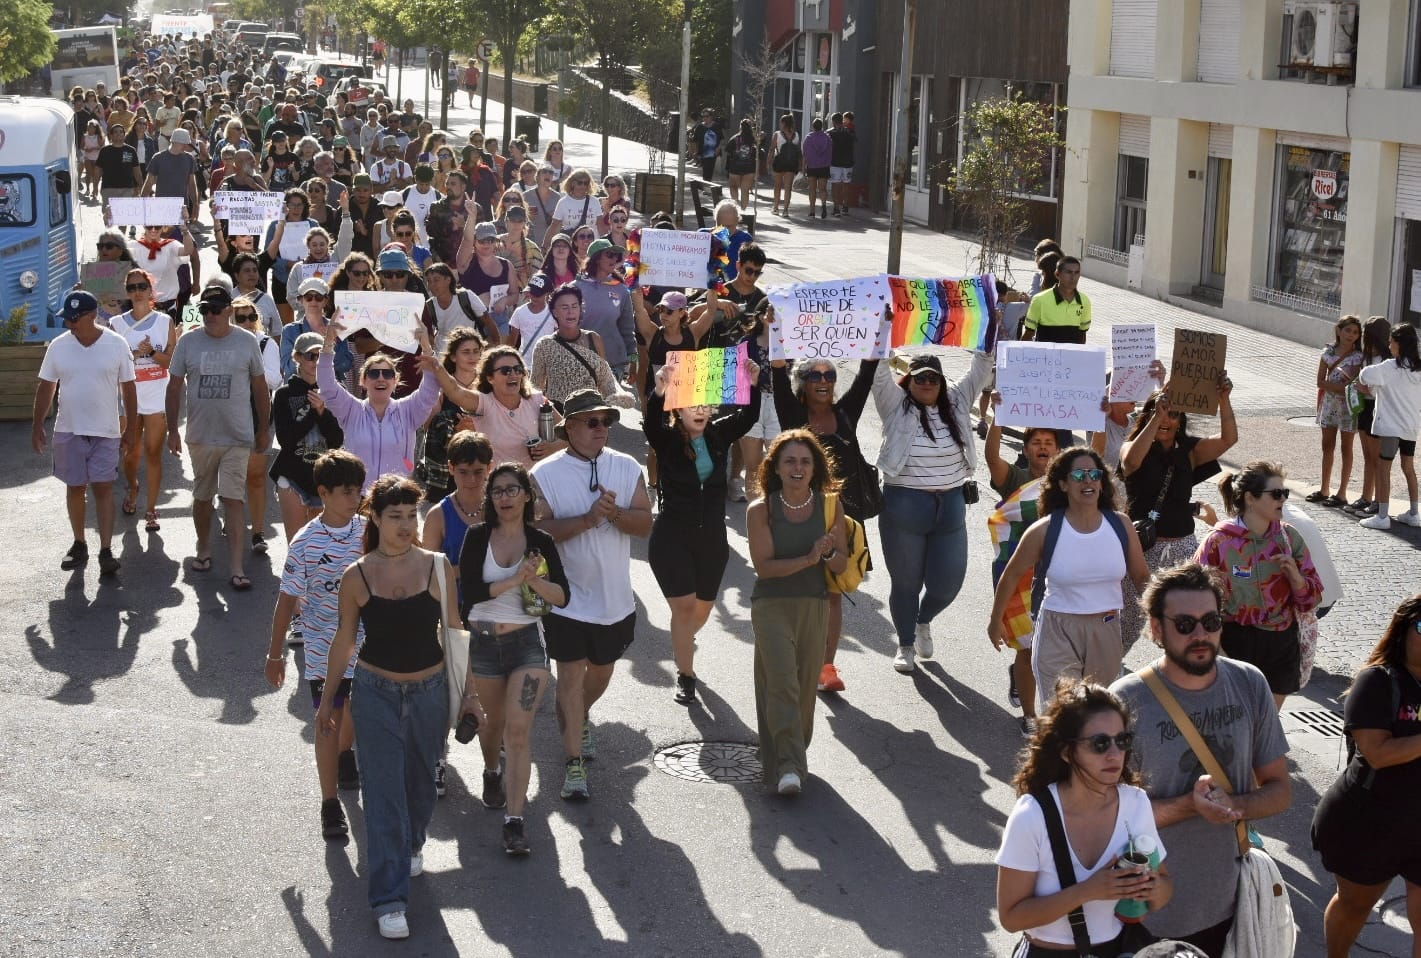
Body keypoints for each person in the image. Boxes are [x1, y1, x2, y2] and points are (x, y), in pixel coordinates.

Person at [317, 476, 480, 941]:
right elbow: (344, 641)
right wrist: (328, 700)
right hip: (375, 694)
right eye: (396, 516)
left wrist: (469, 694)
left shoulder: (437, 567)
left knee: (421, 785)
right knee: (383, 793)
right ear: (375, 517)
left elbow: (455, 633)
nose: (407, 525)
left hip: (430, 691)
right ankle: (389, 899)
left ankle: (410, 843)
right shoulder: (357, 575)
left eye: (412, 515)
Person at [1109, 562, 1291, 956]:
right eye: (1185, 624)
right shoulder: (1123, 702)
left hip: (1231, 905)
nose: (1200, 635)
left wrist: (1234, 805)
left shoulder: (1249, 683)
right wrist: (1190, 806)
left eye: (1210, 621)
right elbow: (1103, 816)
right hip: (1146, 914)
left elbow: (1279, 790)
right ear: (1156, 629)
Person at [530, 389, 653, 801]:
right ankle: (573, 765)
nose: (602, 428)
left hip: (615, 602)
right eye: (592, 421)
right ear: (569, 427)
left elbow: (645, 525)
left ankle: (580, 714)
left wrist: (614, 513)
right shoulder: (544, 474)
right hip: (566, 600)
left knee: (600, 672)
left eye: (607, 421)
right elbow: (538, 531)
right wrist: (586, 519)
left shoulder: (627, 466)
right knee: (568, 678)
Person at [996, 680, 1172, 956]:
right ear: (1068, 752)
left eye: (1122, 741)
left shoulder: (1135, 803)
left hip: (1116, 949)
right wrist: (1088, 891)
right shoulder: (1032, 815)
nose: (1114, 754)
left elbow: (1164, 890)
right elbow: (1011, 917)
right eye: (1100, 744)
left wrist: (1150, 889)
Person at [457, 463, 569, 854]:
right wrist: (514, 580)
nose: (504, 497)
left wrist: (534, 580)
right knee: (492, 728)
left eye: (512, 490)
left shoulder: (540, 541)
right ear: (490, 499)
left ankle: (514, 822)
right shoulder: (477, 536)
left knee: (517, 732)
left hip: (526, 645)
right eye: (497, 491)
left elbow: (562, 596)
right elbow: (471, 592)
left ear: (526, 495)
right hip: (483, 644)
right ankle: (492, 771)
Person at [989, 448, 1150, 708]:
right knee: (1064, 714)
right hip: (1057, 630)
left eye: (1094, 474)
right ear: (1063, 484)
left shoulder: (1121, 525)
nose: (1088, 480)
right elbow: (1011, 575)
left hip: (1107, 628)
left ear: (1102, 483)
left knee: (1098, 714)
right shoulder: (1044, 530)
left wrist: (1162, 615)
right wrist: (995, 620)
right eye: (1078, 475)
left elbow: (1142, 577)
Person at [644, 358, 762, 705]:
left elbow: (749, 417)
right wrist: (659, 391)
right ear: (677, 410)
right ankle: (686, 674)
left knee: (700, 611)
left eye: (705, 405)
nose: (699, 411)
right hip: (671, 539)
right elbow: (650, 423)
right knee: (683, 610)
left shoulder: (719, 434)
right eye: (691, 406)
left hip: (711, 540)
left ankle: (682, 640)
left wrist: (753, 383)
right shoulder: (666, 440)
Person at [873, 345, 996, 673]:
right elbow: (878, 371)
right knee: (906, 584)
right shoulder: (894, 403)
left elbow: (982, 365)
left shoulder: (957, 400)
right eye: (920, 378)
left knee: (947, 584)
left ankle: (922, 620)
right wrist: (879, 331)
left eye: (933, 378)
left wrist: (990, 331)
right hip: (904, 506)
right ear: (909, 380)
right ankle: (905, 644)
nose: (927, 383)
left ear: (942, 381)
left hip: (951, 506)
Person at [1312, 594, 1421, 958]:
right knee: (1355, 905)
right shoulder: (1377, 681)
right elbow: (1377, 753)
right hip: (1370, 823)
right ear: (1403, 630)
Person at [265, 450, 366, 840]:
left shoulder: (369, 532)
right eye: (346, 491)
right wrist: (275, 654)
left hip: (367, 650)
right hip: (323, 652)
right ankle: (329, 803)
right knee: (327, 722)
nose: (355, 498)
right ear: (323, 493)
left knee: (353, 714)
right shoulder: (305, 543)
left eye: (358, 490)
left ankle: (346, 753)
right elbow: (286, 600)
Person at [747, 430, 849, 795]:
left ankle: (784, 752)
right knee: (782, 683)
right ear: (775, 468)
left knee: (805, 691)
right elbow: (764, 568)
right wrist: (808, 558)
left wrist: (827, 553)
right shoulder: (760, 510)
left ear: (815, 468)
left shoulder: (830, 506)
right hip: (771, 605)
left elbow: (841, 563)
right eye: (789, 460)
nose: (798, 468)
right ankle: (789, 766)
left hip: (814, 604)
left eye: (805, 461)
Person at [771, 356, 880, 693]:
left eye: (829, 374)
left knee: (832, 593)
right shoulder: (793, 415)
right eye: (815, 375)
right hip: (799, 514)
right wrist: (777, 349)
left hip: (842, 518)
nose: (823, 380)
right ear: (802, 383)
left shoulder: (846, 412)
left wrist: (878, 336)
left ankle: (825, 667)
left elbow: (866, 374)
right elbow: (778, 376)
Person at [1117, 379, 1237, 656]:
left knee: (1187, 617)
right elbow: (1130, 463)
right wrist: (1156, 416)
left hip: (1183, 548)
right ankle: (1107, 672)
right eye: (1159, 412)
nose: (1166, 419)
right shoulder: (1132, 447)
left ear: (1180, 420)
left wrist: (1224, 398)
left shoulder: (1189, 450)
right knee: (1128, 621)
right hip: (1142, 549)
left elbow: (1228, 440)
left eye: (1173, 414)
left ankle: (1185, 668)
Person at [165, 285, 271, 591]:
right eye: (204, 310)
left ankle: (236, 567)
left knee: (233, 498)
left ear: (228, 311)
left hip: (237, 435)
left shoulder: (246, 340)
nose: (209, 315)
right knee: (202, 497)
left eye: (215, 310)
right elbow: (174, 386)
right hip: (200, 436)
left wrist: (263, 428)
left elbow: (260, 387)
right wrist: (172, 429)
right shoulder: (188, 341)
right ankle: (203, 547)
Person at [1195, 462, 1323, 708]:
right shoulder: (1218, 542)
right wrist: (1216, 647)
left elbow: (1312, 601)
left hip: (1280, 643)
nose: (1283, 499)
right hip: (1234, 643)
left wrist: (1297, 579)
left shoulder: (1289, 538)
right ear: (1250, 498)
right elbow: (1195, 601)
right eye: (1276, 493)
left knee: (1267, 721)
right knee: (1238, 719)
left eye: (1285, 492)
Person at [31, 291, 139, 575]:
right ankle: (79, 543)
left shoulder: (116, 344)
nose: (70, 323)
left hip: (106, 431)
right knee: (75, 487)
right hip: (69, 429)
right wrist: (37, 424)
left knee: (103, 488)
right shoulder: (58, 346)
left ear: (93, 316)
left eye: (75, 318)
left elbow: (129, 387)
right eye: (67, 318)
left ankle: (106, 550)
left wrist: (131, 429)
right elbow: (47, 386)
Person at [984, 424, 1059, 732]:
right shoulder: (1016, 479)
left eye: (1049, 442)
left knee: (1056, 650)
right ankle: (1030, 716)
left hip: (1059, 575)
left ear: (1058, 450)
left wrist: (1098, 420)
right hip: (1021, 579)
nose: (1043, 447)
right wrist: (998, 419)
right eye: (1036, 442)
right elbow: (992, 458)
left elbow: (1097, 457)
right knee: (1027, 648)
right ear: (1026, 450)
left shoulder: (1070, 482)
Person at [316, 323, 441, 493]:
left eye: (387, 374)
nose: (381, 378)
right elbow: (327, 386)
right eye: (374, 374)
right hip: (358, 497)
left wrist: (426, 347)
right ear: (363, 381)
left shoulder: (408, 410)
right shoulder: (351, 410)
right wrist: (328, 343)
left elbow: (431, 390)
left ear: (395, 381)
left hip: (398, 497)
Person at [109, 268, 177, 532]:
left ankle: (151, 509)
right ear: (127, 293)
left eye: (141, 287)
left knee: (153, 454)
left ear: (150, 290)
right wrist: (135, 355)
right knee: (131, 453)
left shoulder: (164, 321)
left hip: (157, 395)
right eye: (132, 288)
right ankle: (133, 486)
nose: (137, 292)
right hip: (128, 398)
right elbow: (111, 364)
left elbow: (171, 362)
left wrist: (151, 353)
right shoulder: (116, 324)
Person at [427, 344, 563, 469]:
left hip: (535, 482)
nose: (513, 374)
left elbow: (569, 432)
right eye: (505, 371)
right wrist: (435, 365)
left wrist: (552, 448)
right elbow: (455, 392)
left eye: (518, 369)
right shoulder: (484, 403)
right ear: (490, 378)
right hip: (497, 484)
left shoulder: (537, 400)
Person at [269, 331, 344, 542]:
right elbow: (286, 440)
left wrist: (322, 411)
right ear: (297, 357)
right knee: (296, 544)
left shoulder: (336, 392)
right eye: (311, 356)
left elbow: (337, 440)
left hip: (325, 476)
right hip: (292, 475)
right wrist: (312, 411)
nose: (316, 361)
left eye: (322, 356)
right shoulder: (284, 394)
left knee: (320, 546)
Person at [1356, 323, 1421, 530]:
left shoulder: (1388, 367)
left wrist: (1370, 387)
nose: (1389, 345)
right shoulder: (1418, 369)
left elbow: (1364, 374)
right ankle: (1414, 513)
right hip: (1410, 426)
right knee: (1408, 468)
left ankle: (1382, 516)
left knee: (1384, 468)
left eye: (1392, 341)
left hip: (1391, 427)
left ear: (1399, 344)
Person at [530, 283, 637, 411]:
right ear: (555, 312)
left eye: (574, 306)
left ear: (580, 309)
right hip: (558, 414)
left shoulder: (594, 339)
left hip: (590, 412)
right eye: (564, 307)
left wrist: (618, 396)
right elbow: (535, 388)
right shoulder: (544, 345)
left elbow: (605, 378)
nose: (570, 312)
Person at [419, 327, 484, 504]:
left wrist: (476, 427)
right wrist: (455, 431)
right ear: (454, 357)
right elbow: (427, 427)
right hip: (447, 469)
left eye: (476, 351)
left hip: (482, 464)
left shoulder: (488, 384)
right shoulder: (440, 386)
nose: (472, 357)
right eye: (466, 352)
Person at [1306, 315, 1363, 507]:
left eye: (1355, 332)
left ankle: (1342, 492)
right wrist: (1341, 388)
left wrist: (1339, 388)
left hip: (1349, 407)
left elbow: (1356, 384)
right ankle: (1324, 489)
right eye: (1348, 330)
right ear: (1338, 331)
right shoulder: (1327, 353)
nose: (1351, 335)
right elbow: (1319, 381)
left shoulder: (1359, 357)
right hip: (1330, 405)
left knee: (1347, 448)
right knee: (1327, 446)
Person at [1344, 316, 1394, 518]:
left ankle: (1378, 501)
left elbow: (1386, 390)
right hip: (1364, 408)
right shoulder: (1365, 357)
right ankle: (1366, 497)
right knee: (1367, 457)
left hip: (1377, 409)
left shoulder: (1387, 360)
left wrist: (1366, 389)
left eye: (1367, 334)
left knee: (1377, 459)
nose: (1363, 338)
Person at [506, 273, 555, 361]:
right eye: (532, 293)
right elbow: (512, 341)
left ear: (547, 293)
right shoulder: (519, 312)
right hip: (525, 362)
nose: (534, 297)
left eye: (538, 294)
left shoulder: (554, 313)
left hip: (547, 363)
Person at [768, 114, 800, 216]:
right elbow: (798, 151)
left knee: (777, 186)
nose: (780, 124)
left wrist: (768, 162)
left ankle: (776, 207)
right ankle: (785, 210)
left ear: (784, 123)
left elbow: (772, 149)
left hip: (779, 163)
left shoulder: (777, 134)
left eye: (781, 122)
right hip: (791, 164)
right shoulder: (796, 135)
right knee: (788, 188)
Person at [723, 118, 759, 208]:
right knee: (745, 191)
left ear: (740, 127)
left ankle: (736, 207)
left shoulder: (734, 139)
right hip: (749, 169)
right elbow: (757, 155)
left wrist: (727, 168)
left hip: (735, 168)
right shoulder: (753, 141)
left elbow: (728, 153)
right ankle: (743, 210)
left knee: (733, 187)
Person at [800, 117, 831, 220]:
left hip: (812, 166)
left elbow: (805, 155)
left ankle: (812, 211)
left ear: (813, 127)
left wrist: (803, 169)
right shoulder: (827, 138)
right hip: (824, 166)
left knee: (812, 189)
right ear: (821, 127)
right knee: (823, 189)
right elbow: (830, 152)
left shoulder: (808, 138)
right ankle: (823, 205)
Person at [827, 111, 856, 217]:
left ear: (833, 122)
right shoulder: (850, 132)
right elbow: (854, 142)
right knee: (846, 185)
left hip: (835, 162)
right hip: (848, 162)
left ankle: (836, 208)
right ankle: (845, 206)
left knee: (835, 185)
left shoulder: (830, 133)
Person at [689, 108, 721, 181]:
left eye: (707, 116)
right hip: (703, 152)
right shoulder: (700, 127)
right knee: (705, 170)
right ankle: (706, 184)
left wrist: (718, 148)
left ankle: (707, 183)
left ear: (711, 117)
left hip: (714, 152)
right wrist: (695, 151)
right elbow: (695, 140)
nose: (705, 118)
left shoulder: (716, 126)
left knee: (710, 169)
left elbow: (721, 138)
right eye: (703, 116)